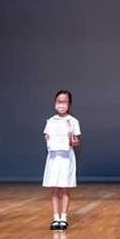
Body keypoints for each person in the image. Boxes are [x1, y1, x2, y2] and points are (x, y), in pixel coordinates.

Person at [42, 90, 81, 230]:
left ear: (69, 104)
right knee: (54, 187)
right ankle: (55, 218)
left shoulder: (73, 121)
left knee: (65, 187)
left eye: (64, 102)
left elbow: (77, 141)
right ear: (54, 103)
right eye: (59, 102)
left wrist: (72, 140)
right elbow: (47, 136)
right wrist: (48, 139)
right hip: (54, 157)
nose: (61, 105)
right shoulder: (51, 121)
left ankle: (63, 217)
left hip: (66, 158)